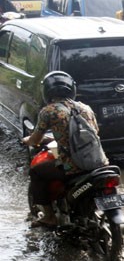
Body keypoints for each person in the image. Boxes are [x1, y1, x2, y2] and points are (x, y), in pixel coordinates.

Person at [22, 71, 108, 227]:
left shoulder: (49, 111)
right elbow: (94, 132)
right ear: (71, 89)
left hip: (73, 167)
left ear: (47, 91)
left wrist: (28, 140)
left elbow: (36, 139)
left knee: (35, 171)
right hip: (99, 163)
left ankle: (49, 217)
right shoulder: (85, 108)